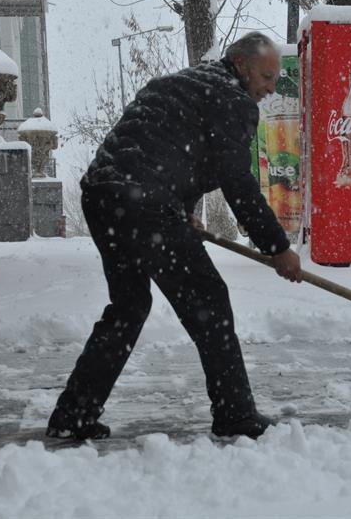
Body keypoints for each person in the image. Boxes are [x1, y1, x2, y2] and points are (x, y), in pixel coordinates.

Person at [46, 32, 302, 441]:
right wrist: (277, 248)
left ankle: (73, 414)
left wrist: (181, 213)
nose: (270, 89)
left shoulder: (182, 84)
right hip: (143, 202)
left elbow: (171, 151)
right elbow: (237, 181)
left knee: (129, 306)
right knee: (209, 302)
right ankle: (235, 413)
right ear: (240, 65)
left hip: (104, 196)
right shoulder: (233, 101)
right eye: (266, 77)